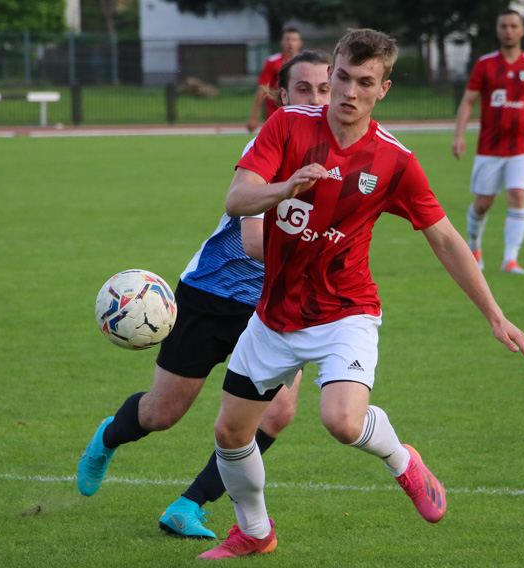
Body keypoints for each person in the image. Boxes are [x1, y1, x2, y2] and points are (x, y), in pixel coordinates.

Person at [198, 28, 524, 561]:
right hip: (273, 317)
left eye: (364, 82)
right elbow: (238, 197)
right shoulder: (286, 126)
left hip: (345, 312)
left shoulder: (394, 161)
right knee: (230, 433)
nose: (348, 92)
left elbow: (446, 238)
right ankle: (255, 532)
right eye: (341, 77)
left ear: (383, 89)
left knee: (342, 420)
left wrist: (496, 315)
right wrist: (284, 187)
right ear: (329, 73)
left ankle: (403, 460)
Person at [76, 51, 333, 540]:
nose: (315, 99)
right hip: (214, 293)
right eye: (303, 89)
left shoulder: (338, 147)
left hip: (275, 305)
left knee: (278, 411)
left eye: (325, 89)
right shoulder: (272, 142)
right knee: (161, 413)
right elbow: (256, 242)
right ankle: (109, 436)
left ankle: (189, 504)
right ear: (281, 95)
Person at [452, 8, 524, 275]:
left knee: (518, 196)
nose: (508, 31)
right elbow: (468, 101)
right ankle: (474, 245)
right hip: (489, 147)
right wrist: (459, 135)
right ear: (497, 31)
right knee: (483, 203)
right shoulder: (485, 64)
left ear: (521, 30)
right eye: (503, 26)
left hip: (523, 146)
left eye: (513, 26)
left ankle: (510, 259)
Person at [246, 26, 303, 133]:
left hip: (298, 111)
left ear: (300, 43)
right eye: (287, 39)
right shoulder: (273, 61)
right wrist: (254, 117)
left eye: (294, 40)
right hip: (275, 113)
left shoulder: (306, 64)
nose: (290, 43)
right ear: (281, 42)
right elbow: (263, 88)